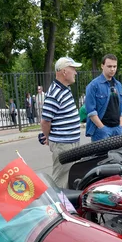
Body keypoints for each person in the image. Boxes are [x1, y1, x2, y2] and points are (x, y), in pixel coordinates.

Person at [41, 56, 82, 187]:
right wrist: (48, 138)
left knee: (70, 176)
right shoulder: (55, 93)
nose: (75, 72)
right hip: (63, 144)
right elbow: (45, 121)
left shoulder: (65, 89)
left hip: (70, 142)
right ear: (64, 72)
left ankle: (67, 205)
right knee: (61, 180)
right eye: (73, 69)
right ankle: (57, 205)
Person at [85, 54, 122, 142]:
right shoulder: (93, 85)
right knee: (102, 156)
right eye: (109, 66)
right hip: (102, 131)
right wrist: (102, 128)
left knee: (118, 155)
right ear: (102, 66)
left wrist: (121, 126)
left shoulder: (118, 85)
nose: (112, 69)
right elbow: (91, 111)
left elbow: (121, 109)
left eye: (115, 66)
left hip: (117, 129)